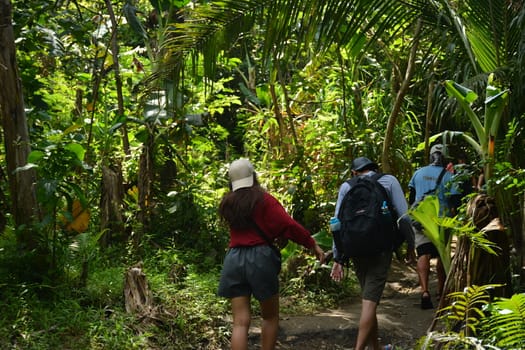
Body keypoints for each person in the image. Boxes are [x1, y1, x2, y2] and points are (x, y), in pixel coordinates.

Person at [218, 158, 325, 350]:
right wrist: (311, 244)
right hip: (259, 258)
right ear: (253, 177)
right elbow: (288, 225)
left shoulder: (228, 202)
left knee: (240, 322)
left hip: (233, 258)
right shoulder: (264, 200)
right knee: (269, 317)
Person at [330, 157, 409, 350]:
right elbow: (404, 217)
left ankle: (377, 347)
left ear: (354, 172)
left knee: (368, 297)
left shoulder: (346, 187)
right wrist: (411, 246)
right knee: (369, 303)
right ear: (374, 168)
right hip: (381, 250)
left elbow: (337, 223)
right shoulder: (389, 181)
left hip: (355, 249)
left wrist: (338, 257)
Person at [408, 143, 455, 310]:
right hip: (442, 220)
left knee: (423, 253)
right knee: (442, 255)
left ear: (430, 156)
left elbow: (412, 198)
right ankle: (442, 291)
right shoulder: (449, 176)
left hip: (421, 218)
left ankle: (425, 291)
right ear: (445, 158)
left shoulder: (418, 173)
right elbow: (454, 200)